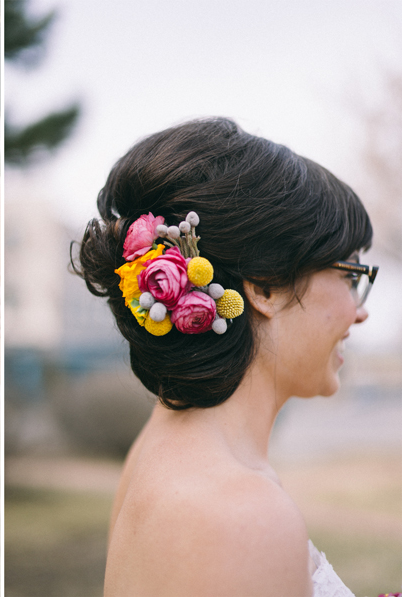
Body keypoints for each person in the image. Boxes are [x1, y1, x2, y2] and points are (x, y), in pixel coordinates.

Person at [74, 118, 374, 596]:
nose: (359, 313)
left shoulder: (161, 443)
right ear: (266, 286)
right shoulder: (242, 514)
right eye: (350, 274)